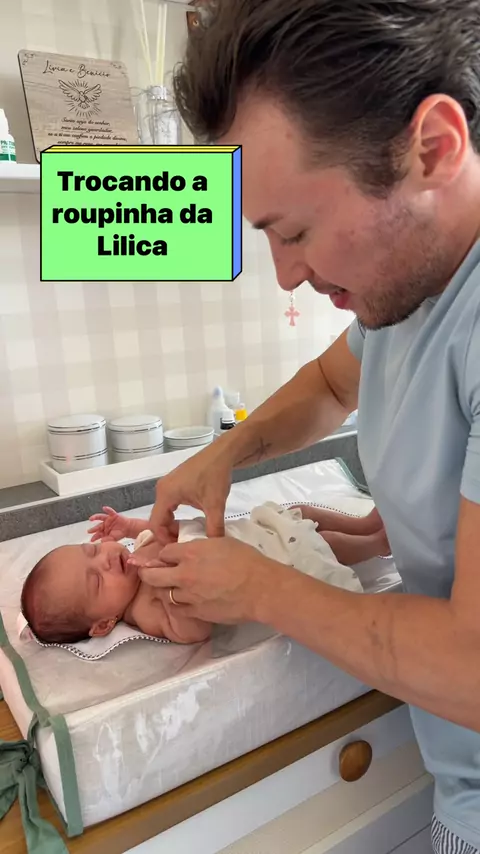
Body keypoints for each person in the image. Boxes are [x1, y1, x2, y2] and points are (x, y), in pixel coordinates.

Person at [134, 2, 480, 851]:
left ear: (434, 149)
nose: (287, 275)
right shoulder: (407, 289)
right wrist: (229, 451)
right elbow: (332, 382)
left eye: (295, 232)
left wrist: (260, 588)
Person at [19, 503, 381, 646]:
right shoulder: (145, 607)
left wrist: (130, 527)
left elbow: (162, 531)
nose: (106, 561)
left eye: (93, 551)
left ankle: (364, 524)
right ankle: (377, 543)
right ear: (103, 624)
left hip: (252, 533)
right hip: (273, 561)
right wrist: (172, 589)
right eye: (97, 581)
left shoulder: (137, 552)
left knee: (301, 512)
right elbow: (195, 631)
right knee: (324, 544)